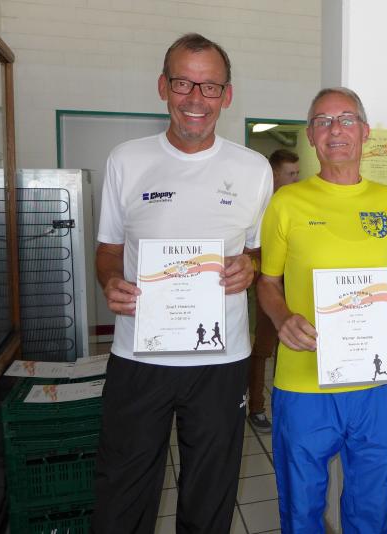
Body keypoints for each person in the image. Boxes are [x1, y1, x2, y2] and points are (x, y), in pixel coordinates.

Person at [92, 33, 273, 533]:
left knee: (210, 497)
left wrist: (250, 267)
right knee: (122, 494)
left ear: (226, 95)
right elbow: (108, 250)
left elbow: (258, 253)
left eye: (210, 86)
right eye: (183, 83)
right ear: (162, 87)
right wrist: (110, 280)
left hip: (221, 360)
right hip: (138, 355)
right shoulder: (126, 160)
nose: (196, 98)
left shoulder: (254, 169)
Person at [257, 87, 387, 533]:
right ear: (311, 136)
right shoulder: (286, 203)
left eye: (346, 119)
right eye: (323, 121)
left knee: (371, 508)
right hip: (304, 382)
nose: (335, 130)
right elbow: (267, 282)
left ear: (364, 131)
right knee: (302, 509)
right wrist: (282, 318)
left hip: (374, 383)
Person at [247, 149, 300, 433]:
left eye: (298, 173)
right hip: (268, 289)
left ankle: (285, 407)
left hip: (296, 287)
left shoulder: (298, 205)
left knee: (290, 346)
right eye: (291, 174)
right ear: (275, 175)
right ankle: (256, 407)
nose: (296, 179)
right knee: (263, 349)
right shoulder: (260, 208)